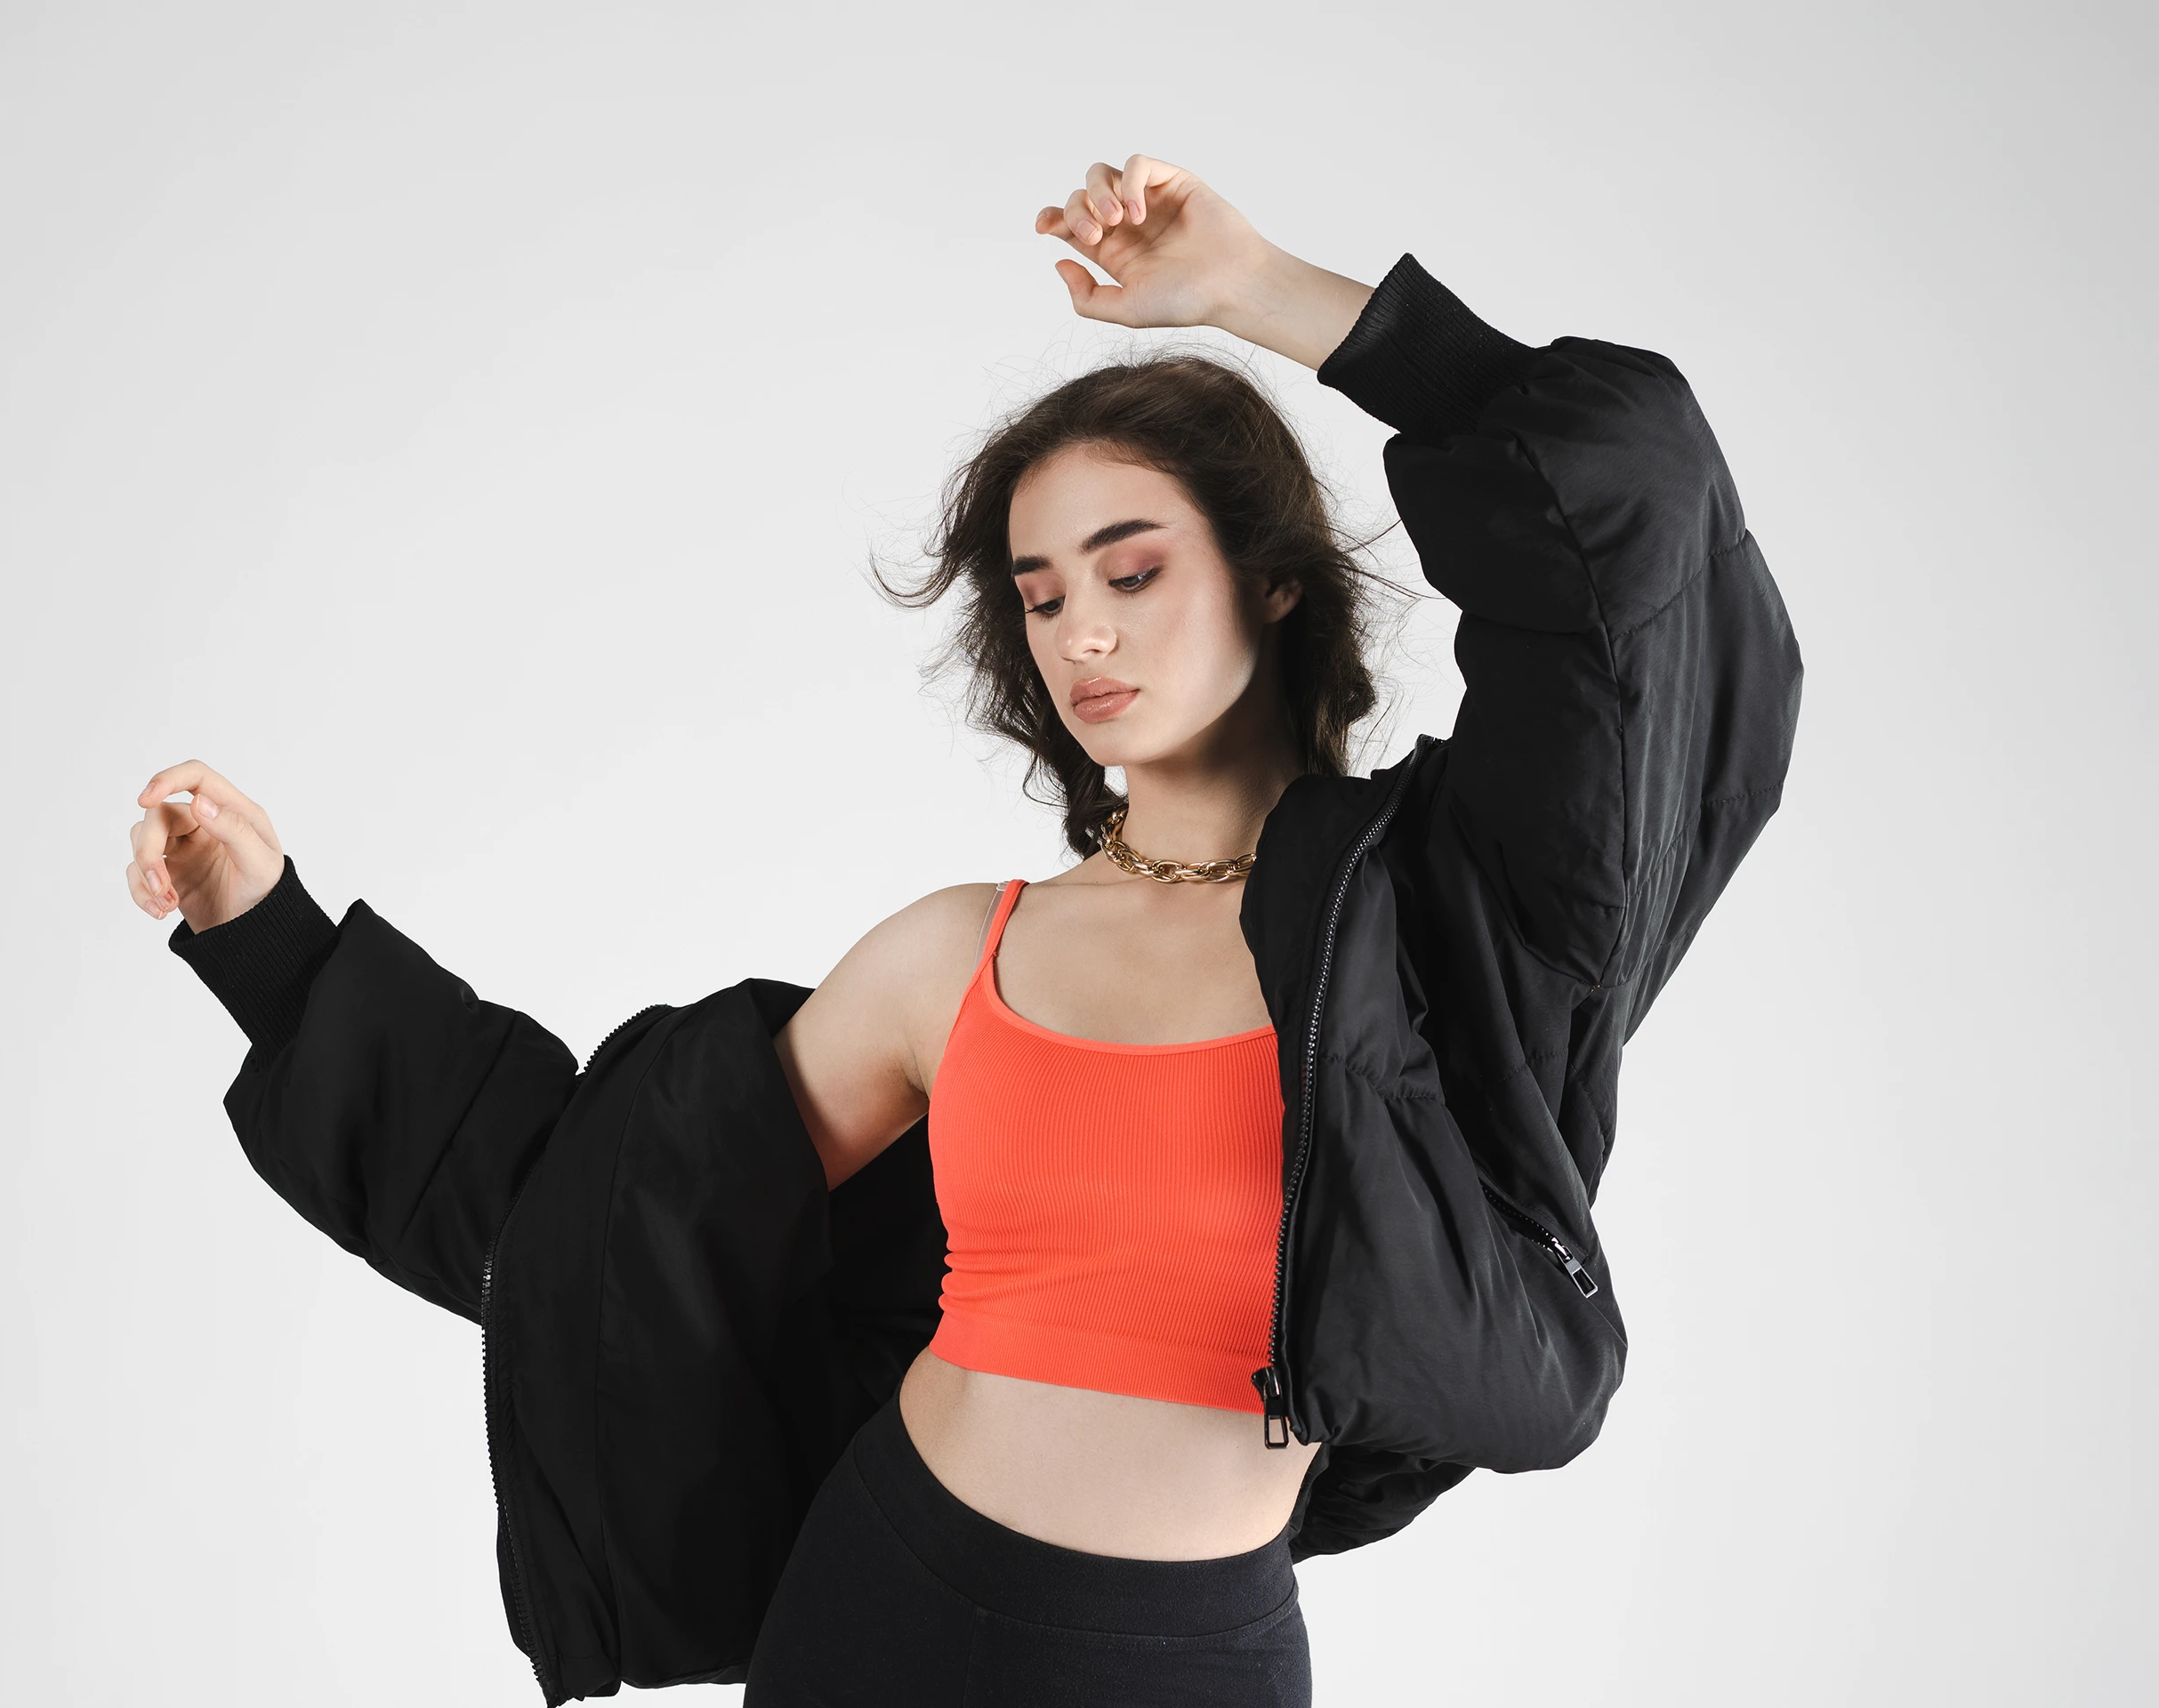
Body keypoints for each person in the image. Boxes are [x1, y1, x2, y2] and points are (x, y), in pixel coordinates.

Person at [125, 156, 1801, 1707]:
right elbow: (607, 1212)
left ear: (1275, 579)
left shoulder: (1432, 924)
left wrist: (1267, 291)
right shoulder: (957, 957)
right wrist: (268, 937)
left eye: (1131, 570)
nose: (1082, 633)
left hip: (1192, 1656)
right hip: (882, 1604)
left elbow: (1634, 525)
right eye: (1043, 591)